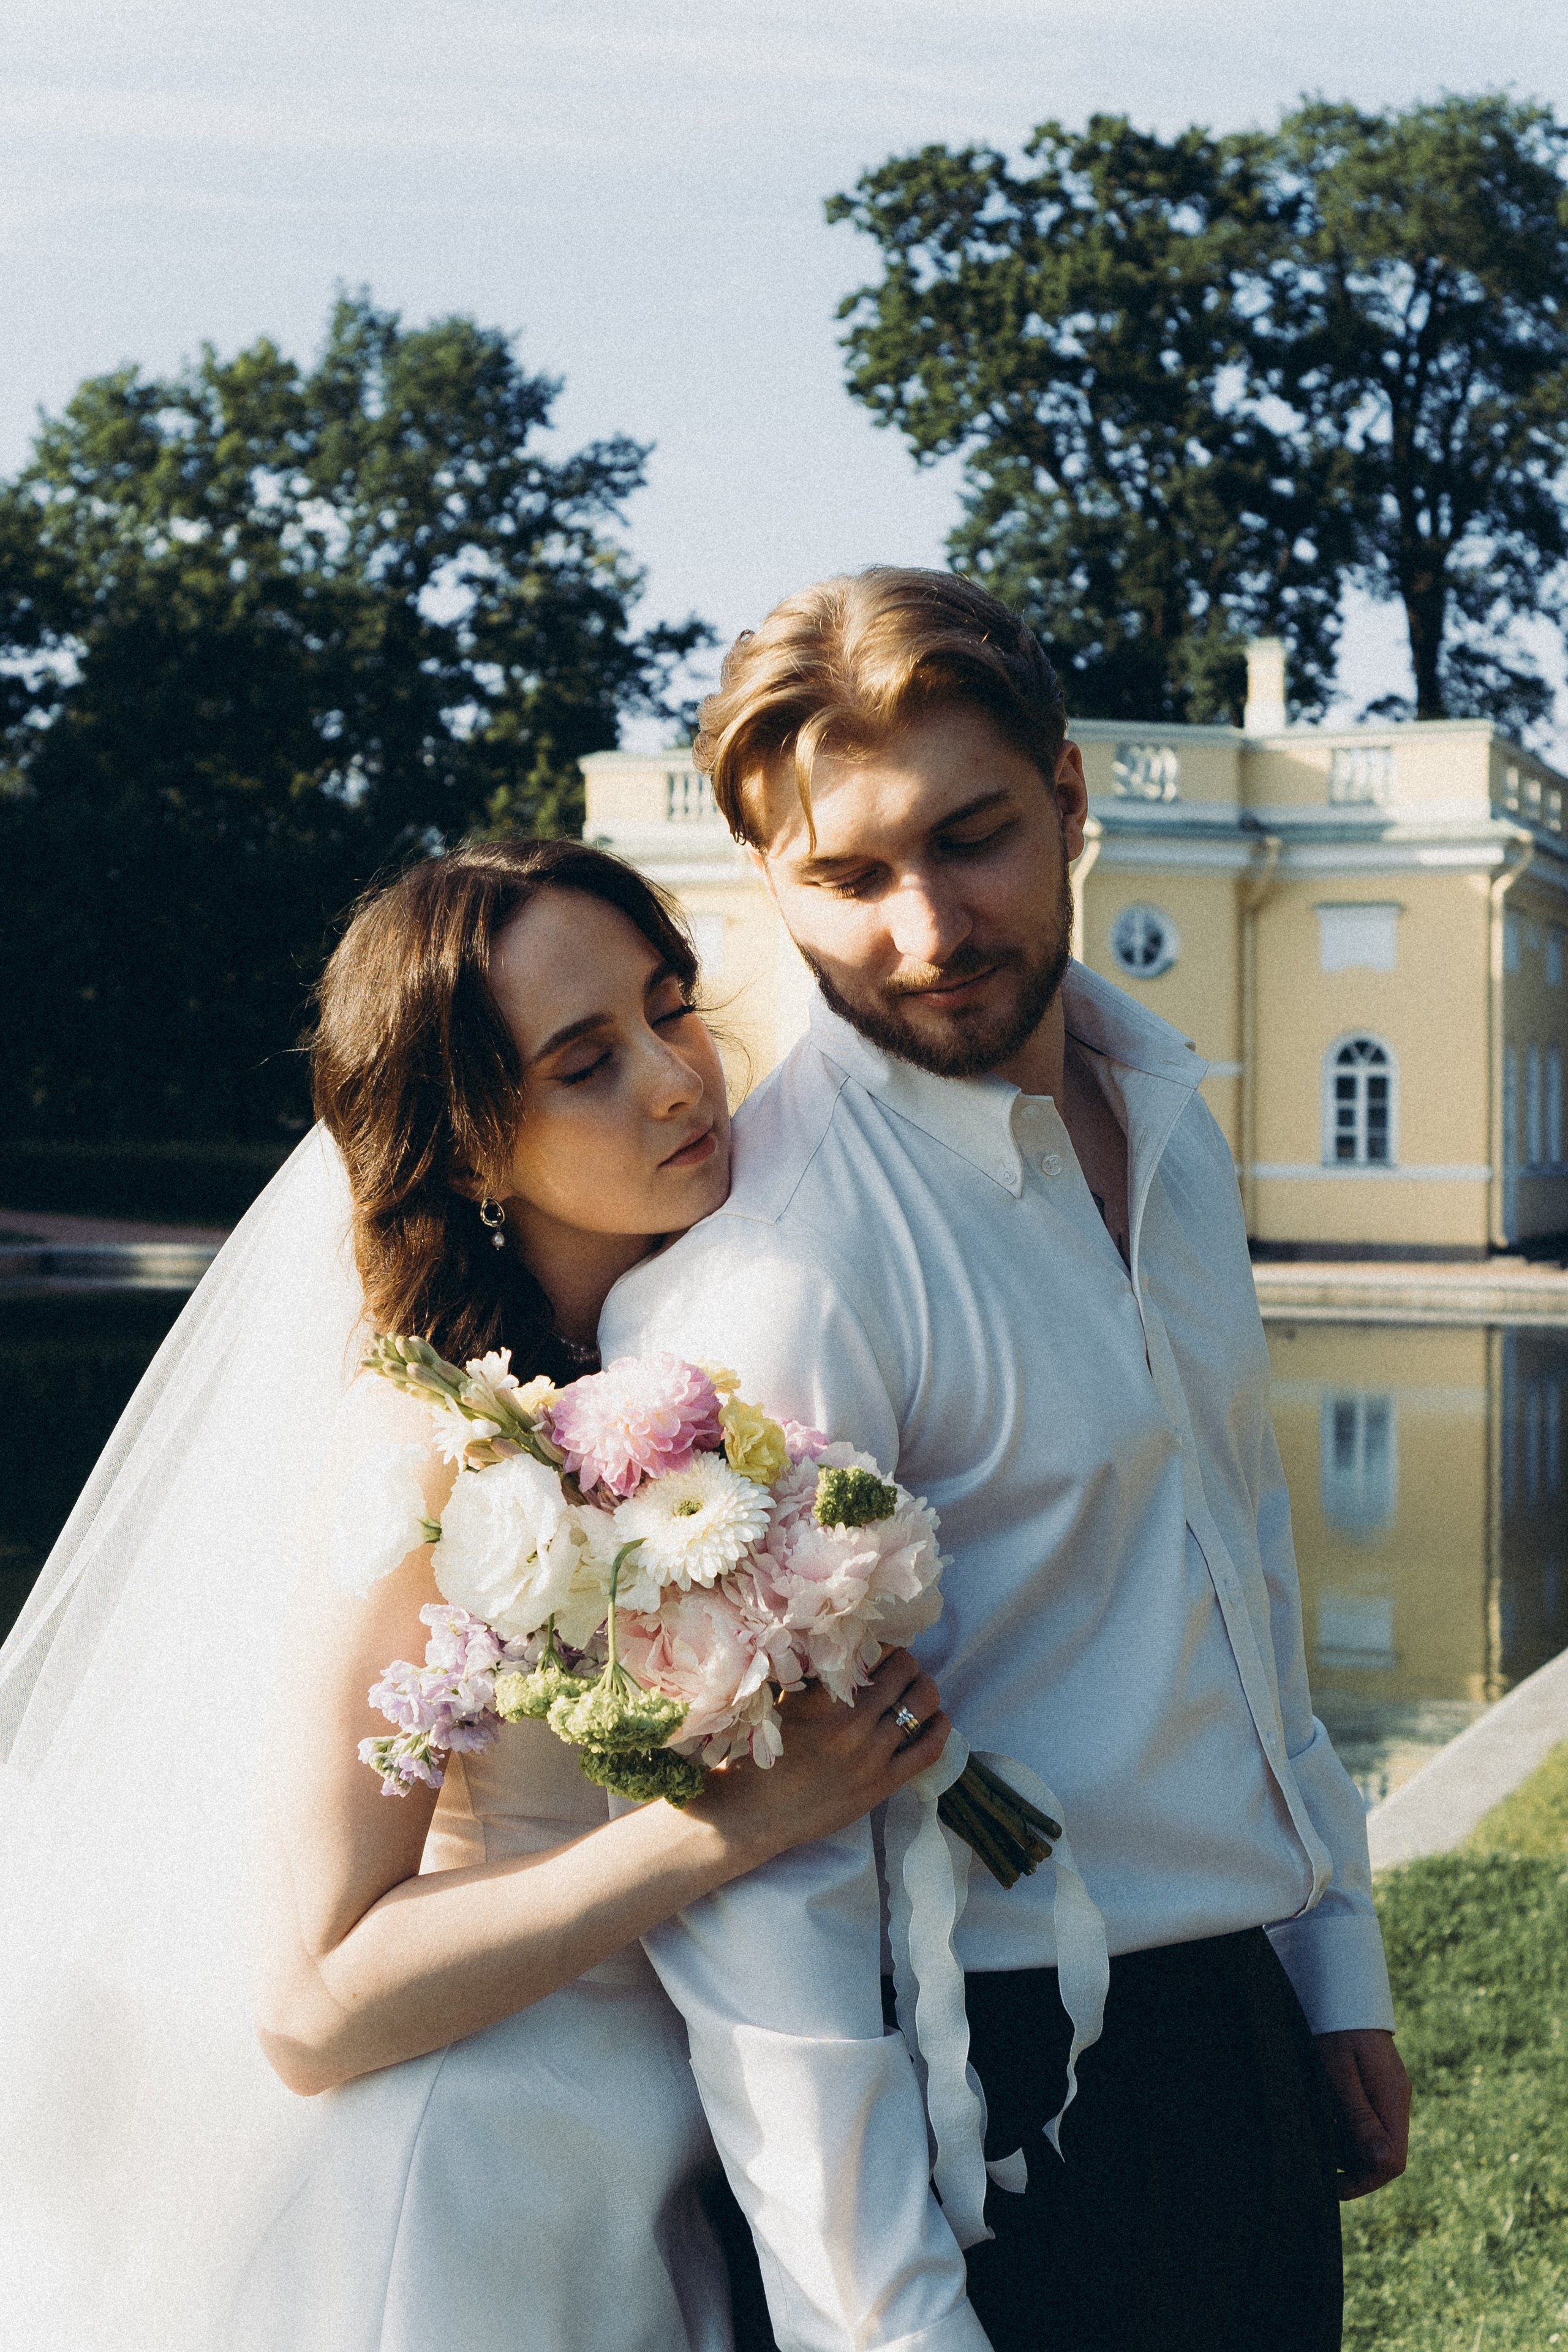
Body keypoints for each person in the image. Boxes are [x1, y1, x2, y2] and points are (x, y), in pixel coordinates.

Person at [598, 570, 1412, 2352]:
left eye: (971, 839)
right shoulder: (782, 1274)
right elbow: (765, 1897)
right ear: (770, 887)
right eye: (847, 877)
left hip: (1235, 2033)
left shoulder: (1165, 1122)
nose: (924, 928)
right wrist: (883, 2327)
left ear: (1068, 797)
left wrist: (1327, 1956)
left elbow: (1245, 1555)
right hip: (990, 2098)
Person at [0, 835, 946, 2352]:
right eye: (582, 1062)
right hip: (457, 2197)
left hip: (637, 2168)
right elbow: (314, 2002)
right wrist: (732, 1824)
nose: (675, 1080)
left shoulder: (670, 1367)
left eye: (669, 1007)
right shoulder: (423, 1442)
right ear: (466, 1145)